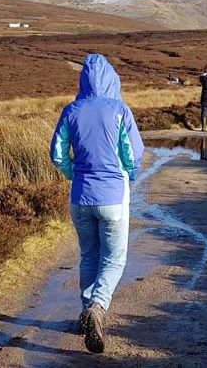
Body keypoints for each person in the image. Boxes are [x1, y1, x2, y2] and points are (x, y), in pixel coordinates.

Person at [50, 53, 144, 354]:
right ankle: (97, 307)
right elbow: (133, 152)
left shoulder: (71, 110)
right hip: (113, 195)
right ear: (112, 79)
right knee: (115, 258)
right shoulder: (119, 109)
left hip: (80, 195)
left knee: (89, 254)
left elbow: (57, 153)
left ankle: (86, 312)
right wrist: (130, 175)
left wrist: (71, 174)